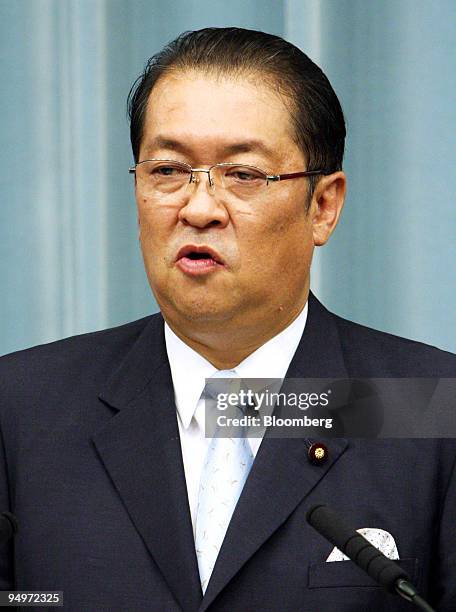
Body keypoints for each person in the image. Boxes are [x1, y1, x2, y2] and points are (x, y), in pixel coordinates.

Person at [0, 27, 455, 612]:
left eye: (243, 175)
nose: (198, 208)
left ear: (323, 205)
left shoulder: (424, 408)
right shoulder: (22, 409)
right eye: (167, 170)